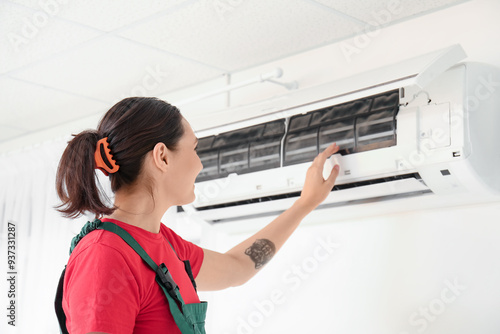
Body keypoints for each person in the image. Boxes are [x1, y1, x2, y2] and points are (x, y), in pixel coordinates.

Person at [55, 96, 340, 334]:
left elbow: (238, 267)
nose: (200, 165)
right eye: (194, 148)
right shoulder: (105, 256)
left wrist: (305, 204)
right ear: (162, 157)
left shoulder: (165, 244)